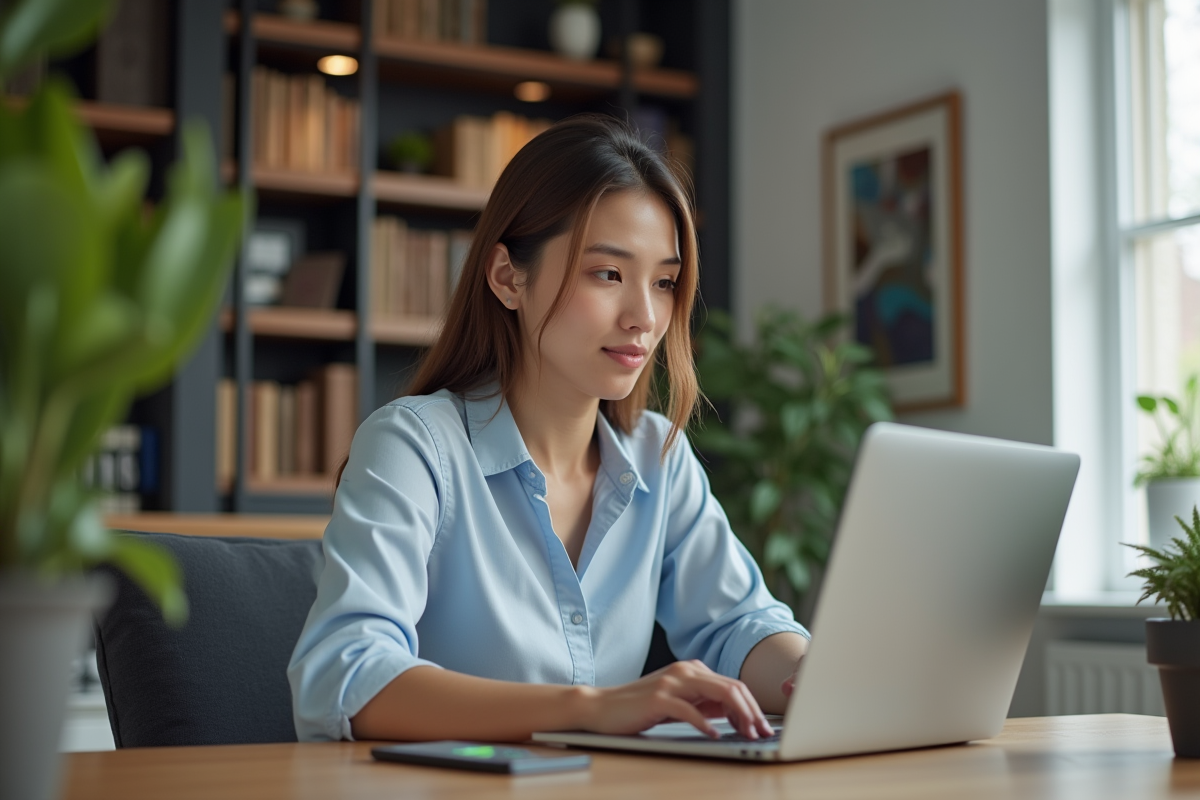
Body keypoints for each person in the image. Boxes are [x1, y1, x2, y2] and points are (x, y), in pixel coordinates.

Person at [287, 114, 810, 743]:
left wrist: (815, 676)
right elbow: (343, 678)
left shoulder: (656, 456)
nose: (646, 317)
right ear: (509, 277)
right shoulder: (413, 447)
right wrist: (591, 710)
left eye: (665, 282)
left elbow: (741, 625)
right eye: (608, 274)